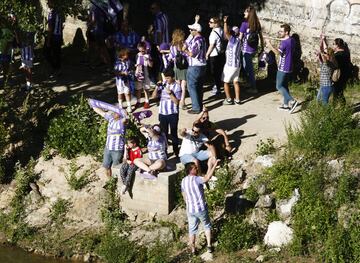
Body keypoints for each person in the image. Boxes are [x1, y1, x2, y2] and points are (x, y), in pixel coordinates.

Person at [181, 158, 219, 255]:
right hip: (200, 208)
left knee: (192, 230)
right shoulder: (196, 179)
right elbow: (207, 178)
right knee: (207, 226)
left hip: (190, 210)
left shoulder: (183, 181)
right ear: (190, 170)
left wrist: (188, 204)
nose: (197, 169)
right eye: (195, 168)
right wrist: (215, 165)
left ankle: (193, 250)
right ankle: (209, 246)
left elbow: (184, 195)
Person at [265, 24, 298, 113]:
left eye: (281, 31)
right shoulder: (292, 40)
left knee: (278, 86)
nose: (279, 33)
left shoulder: (284, 43)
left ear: (286, 32)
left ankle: (292, 101)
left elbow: (277, 53)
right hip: (290, 66)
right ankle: (286, 105)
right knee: (285, 85)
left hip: (283, 67)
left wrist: (269, 44)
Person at [91, 103, 127, 178]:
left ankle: (116, 183)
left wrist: (124, 112)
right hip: (108, 148)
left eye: (115, 112)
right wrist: (92, 104)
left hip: (117, 149)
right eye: (113, 111)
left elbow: (126, 118)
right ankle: (110, 180)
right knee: (106, 166)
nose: (113, 113)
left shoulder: (122, 121)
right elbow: (100, 112)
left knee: (116, 168)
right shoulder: (110, 118)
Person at [153, 67, 182, 156]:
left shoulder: (177, 87)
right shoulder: (163, 85)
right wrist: (156, 87)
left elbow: (177, 102)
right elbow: (154, 97)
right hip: (162, 113)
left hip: (172, 113)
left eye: (168, 78)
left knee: (173, 132)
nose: (166, 79)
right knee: (164, 133)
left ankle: (176, 150)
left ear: (173, 77)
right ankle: (164, 151)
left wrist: (170, 94)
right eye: (165, 78)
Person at [183, 15, 207, 114]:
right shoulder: (202, 39)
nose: (190, 31)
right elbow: (189, 39)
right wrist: (196, 21)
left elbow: (193, 54)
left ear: (196, 31)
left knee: (191, 86)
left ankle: (196, 107)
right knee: (199, 86)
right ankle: (199, 105)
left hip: (195, 66)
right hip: (202, 66)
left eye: (192, 30)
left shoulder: (197, 40)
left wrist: (185, 51)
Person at [239, 6, 264, 94]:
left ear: (249, 13)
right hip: (254, 48)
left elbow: (240, 37)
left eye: (245, 12)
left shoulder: (244, 24)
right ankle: (250, 82)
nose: (244, 13)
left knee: (248, 68)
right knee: (248, 67)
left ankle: (254, 87)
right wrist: (262, 47)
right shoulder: (257, 23)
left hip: (246, 49)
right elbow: (261, 36)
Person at [323, 37, 351, 104]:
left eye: (333, 44)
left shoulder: (337, 55)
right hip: (345, 75)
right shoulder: (346, 53)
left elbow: (332, 65)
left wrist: (326, 60)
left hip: (338, 75)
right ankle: (342, 106)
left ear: (337, 45)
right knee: (340, 91)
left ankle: (335, 108)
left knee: (336, 92)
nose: (333, 46)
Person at [221, 16, 242, 105]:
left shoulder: (233, 40)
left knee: (225, 81)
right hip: (237, 64)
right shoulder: (239, 40)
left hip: (230, 65)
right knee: (235, 81)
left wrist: (225, 22)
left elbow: (226, 32)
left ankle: (228, 99)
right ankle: (237, 99)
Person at [169, 29, 188, 109]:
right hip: (184, 67)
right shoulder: (184, 44)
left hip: (176, 67)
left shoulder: (172, 46)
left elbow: (170, 57)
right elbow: (187, 55)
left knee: (177, 84)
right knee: (183, 85)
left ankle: (176, 100)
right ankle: (182, 102)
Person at [206, 16, 224, 96]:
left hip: (214, 54)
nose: (209, 23)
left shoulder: (213, 33)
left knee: (214, 72)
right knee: (219, 71)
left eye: (211, 22)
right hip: (220, 53)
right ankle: (218, 86)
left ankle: (217, 88)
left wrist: (207, 54)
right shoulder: (221, 30)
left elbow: (212, 45)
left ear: (216, 24)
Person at [45, 0, 64, 76]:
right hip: (59, 36)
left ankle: (55, 68)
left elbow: (50, 28)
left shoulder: (51, 13)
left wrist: (48, 40)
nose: (47, 3)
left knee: (46, 53)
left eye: (49, 2)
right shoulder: (60, 12)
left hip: (53, 37)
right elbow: (61, 25)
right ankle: (58, 69)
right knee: (57, 54)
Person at [317, 34, 336, 105]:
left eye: (325, 54)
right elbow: (324, 50)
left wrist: (322, 40)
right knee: (319, 101)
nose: (323, 54)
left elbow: (321, 50)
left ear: (328, 55)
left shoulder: (327, 63)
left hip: (326, 87)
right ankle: (321, 114)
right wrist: (324, 40)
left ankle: (328, 115)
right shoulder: (331, 62)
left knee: (324, 103)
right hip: (324, 85)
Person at [135, 41, 152, 109]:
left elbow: (151, 65)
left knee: (146, 89)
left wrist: (148, 60)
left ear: (145, 49)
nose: (142, 52)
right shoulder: (137, 55)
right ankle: (138, 101)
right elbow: (136, 64)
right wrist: (136, 66)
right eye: (140, 50)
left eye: (143, 50)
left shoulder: (148, 55)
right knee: (138, 89)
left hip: (146, 74)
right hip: (139, 74)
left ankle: (147, 101)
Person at [115, 48, 133, 113]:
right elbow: (116, 72)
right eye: (126, 55)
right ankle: (120, 106)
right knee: (120, 93)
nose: (127, 56)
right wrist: (122, 73)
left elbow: (130, 69)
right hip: (120, 81)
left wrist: (130, 72)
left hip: (126, 80)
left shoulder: (128, 61)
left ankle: (129, 106)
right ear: (122, 55)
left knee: (127, 93)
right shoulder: (117, 62)